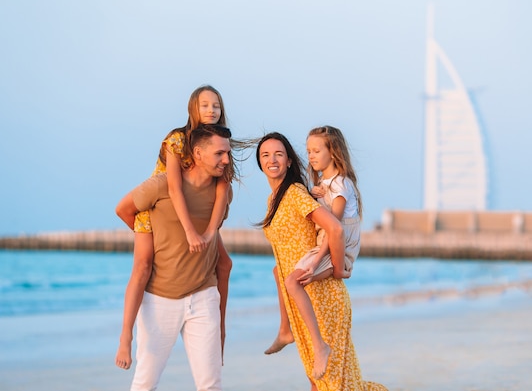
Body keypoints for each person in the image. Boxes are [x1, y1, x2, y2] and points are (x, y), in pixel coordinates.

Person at [256, 132, 387, 391]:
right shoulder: (273, 200)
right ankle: (286, 330)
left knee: (337, 385)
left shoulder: (294, 192)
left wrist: (337, 269)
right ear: (259, 163)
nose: (272, 160)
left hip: (323, 296)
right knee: (318, 383)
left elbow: (335, 229)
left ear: (290, 161)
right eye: (265, 155)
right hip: (302, 298)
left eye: (279, 154)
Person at [120, 85, 234, 366]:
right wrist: (181, 232)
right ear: (192, 109)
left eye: (216, 106)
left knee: (225, 264)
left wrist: (209, 231)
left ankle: (218, 336)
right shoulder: (178, 139)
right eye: (205, 105)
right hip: (159, 205)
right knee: (143, 266)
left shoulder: (220, 143)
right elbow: (173, 187)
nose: (211, 110)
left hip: (195, 210)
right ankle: (125, 337)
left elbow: (222, 190)